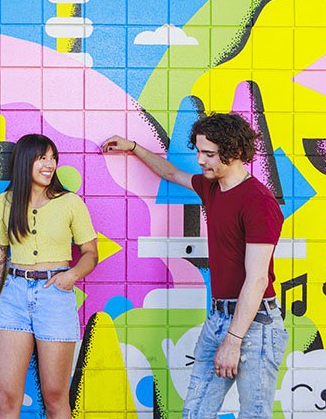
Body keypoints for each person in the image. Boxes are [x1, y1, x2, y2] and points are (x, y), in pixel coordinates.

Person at [102, 112, 288, 418]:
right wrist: (133, 147)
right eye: (199, 151)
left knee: (254, 414)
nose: (201, 161)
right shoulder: (212, 187)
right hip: (218, 317)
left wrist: (234, 340)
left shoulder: (258, 202)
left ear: (236, 152)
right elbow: (172, 174)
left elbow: (256, 280)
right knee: (196, 411)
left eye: (209, 154)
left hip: (255, 327)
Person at [0, 134, 99, 419]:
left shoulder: (70, 202)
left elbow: (91, 253)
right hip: (14, 297)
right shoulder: (4, 203)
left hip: (55, 296)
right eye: (42, 158)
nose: (50, 164)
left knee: (55, 396)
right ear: (25, 161)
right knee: (6, 394)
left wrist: (71, 275)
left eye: (52, 158)